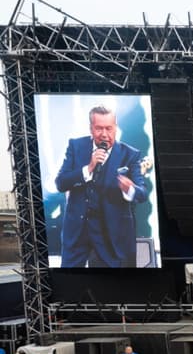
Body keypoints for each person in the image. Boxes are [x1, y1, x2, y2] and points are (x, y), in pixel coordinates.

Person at [54, 105, 148, 267]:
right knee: (70, 284)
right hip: (77, 233)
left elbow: (142, 193)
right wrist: (88, 168)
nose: (104, 134)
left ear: (115, 128)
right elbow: (61, 183)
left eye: (108, 128)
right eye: (99, 129)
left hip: (111, 235)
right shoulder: (76, 147)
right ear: (91, 128)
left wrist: (129, 189)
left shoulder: (130, 154)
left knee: (109, 287)